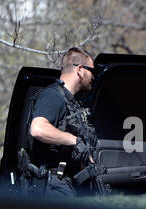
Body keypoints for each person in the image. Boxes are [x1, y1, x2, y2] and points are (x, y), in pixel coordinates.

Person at [28, 47, 97, 198]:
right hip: (53, 186)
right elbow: (38, 128)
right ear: (80, 70)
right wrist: (73, 140)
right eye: (91, 71)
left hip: (66, 183)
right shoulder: (53, 96)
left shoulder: (72, 102)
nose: (93, 76)